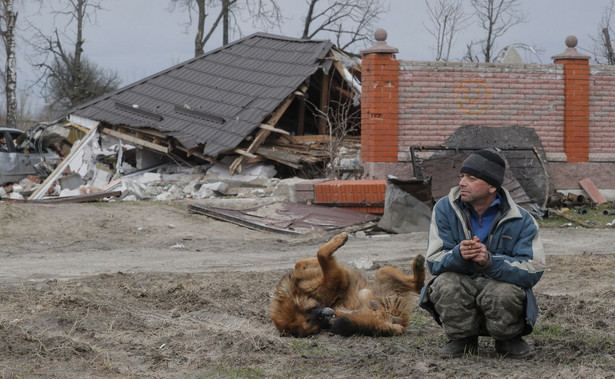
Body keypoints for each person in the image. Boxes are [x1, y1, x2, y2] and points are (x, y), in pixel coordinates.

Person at [419, 148, 546, 359]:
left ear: (491, 186)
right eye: (461, 176)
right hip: (463, 280)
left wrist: (490, 262)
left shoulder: (522, 219)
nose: (462, 183)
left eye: (471, 178)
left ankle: (507, 340)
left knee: (505, 292)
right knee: (445, 284)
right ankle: (462, 340)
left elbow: (533, 269)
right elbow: (434, 261)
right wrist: (458, 254)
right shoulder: (445, 208)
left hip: (497, 282)